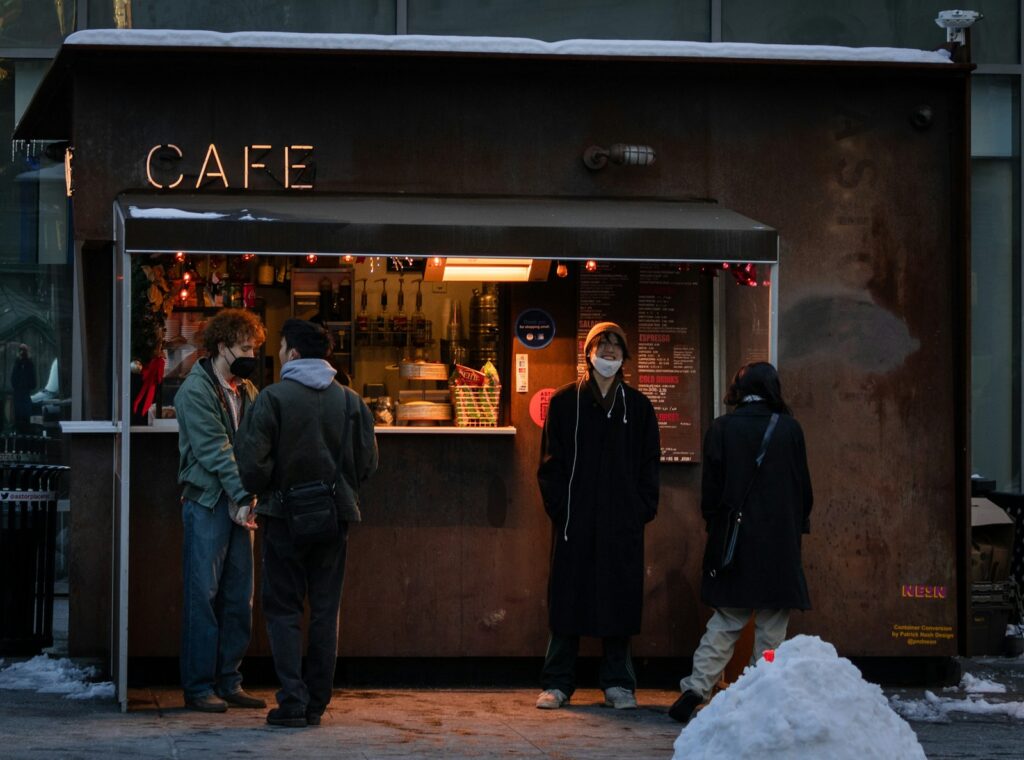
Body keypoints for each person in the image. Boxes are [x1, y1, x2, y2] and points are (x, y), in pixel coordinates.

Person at [236, 319, 378, 728]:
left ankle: (293, 700)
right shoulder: (352, 402)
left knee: (282, 609)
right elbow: (368, 463)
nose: (279, 357)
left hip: (283, 518)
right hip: (335, 517)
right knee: (325, 610)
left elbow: (251, 467)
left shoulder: (272, 399)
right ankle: (317, 702)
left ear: (293, 354)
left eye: (281, 350)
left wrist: (272, 488)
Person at [669, 361, 813, 724]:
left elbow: (712, 493)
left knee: (725, 620)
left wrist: (717, 528)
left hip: (733, 542)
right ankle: (759, 691)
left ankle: (696, 687)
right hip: (779, 544)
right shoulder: (790, 430)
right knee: (770, 630)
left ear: (738, 389)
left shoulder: (721, 428)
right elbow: (803, 491)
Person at [535, 321, 660, 710]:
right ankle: (557, 683)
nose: (608, 352)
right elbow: (550, 466)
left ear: (624, 356)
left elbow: (648, 467)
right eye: (601, 345)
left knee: (618, 601)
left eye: (615, 346)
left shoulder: (637, 408)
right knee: (566, 600)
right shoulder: (565, 401)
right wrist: (561, 509)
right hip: (574, 523)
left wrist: (639, 511)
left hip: (621, 525)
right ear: (588, 353)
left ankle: (619, 683)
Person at [175, 308, 267, 713]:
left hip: (238, 501)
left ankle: (229, 680)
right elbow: (216, 450)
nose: (250, 354)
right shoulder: (194, 392)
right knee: (203, 596)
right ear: (222, 346)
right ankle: (198, 687)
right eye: (244, 347)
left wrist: (249, 495)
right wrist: (244, 497)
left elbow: (256, 445)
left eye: (255, 347)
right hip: (209, 502)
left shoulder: (246, 389)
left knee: (239, 597)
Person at [11, 344, 36, 433]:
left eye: (23, 351)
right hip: (20, 394)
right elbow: (13, 380)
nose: (22, 353)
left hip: (24, 394)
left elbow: (33, 382)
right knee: (19, 416)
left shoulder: (29, 364)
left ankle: (24, 432)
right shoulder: (18, 364)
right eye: (21, 351)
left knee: (25, 417)